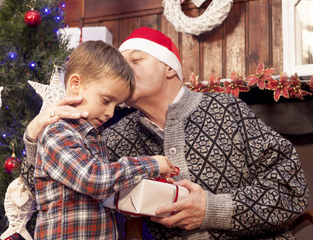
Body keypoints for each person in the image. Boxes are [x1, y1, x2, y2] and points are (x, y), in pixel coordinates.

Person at [23, 28, 309, 239]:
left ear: (169, 68)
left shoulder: (226, 109)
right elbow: (40, 189)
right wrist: (34, 134)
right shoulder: (111, 137)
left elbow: (292, 190)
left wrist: (211, 208)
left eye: (135, 60)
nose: (123, 70)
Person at [30, 40, 176, 240]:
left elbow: (107, 189)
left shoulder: (94, 138)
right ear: (75, 84)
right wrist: (152, 164)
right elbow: (94, 179)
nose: (109, 113)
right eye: (106, 100)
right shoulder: (57, 133)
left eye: (115, 106)